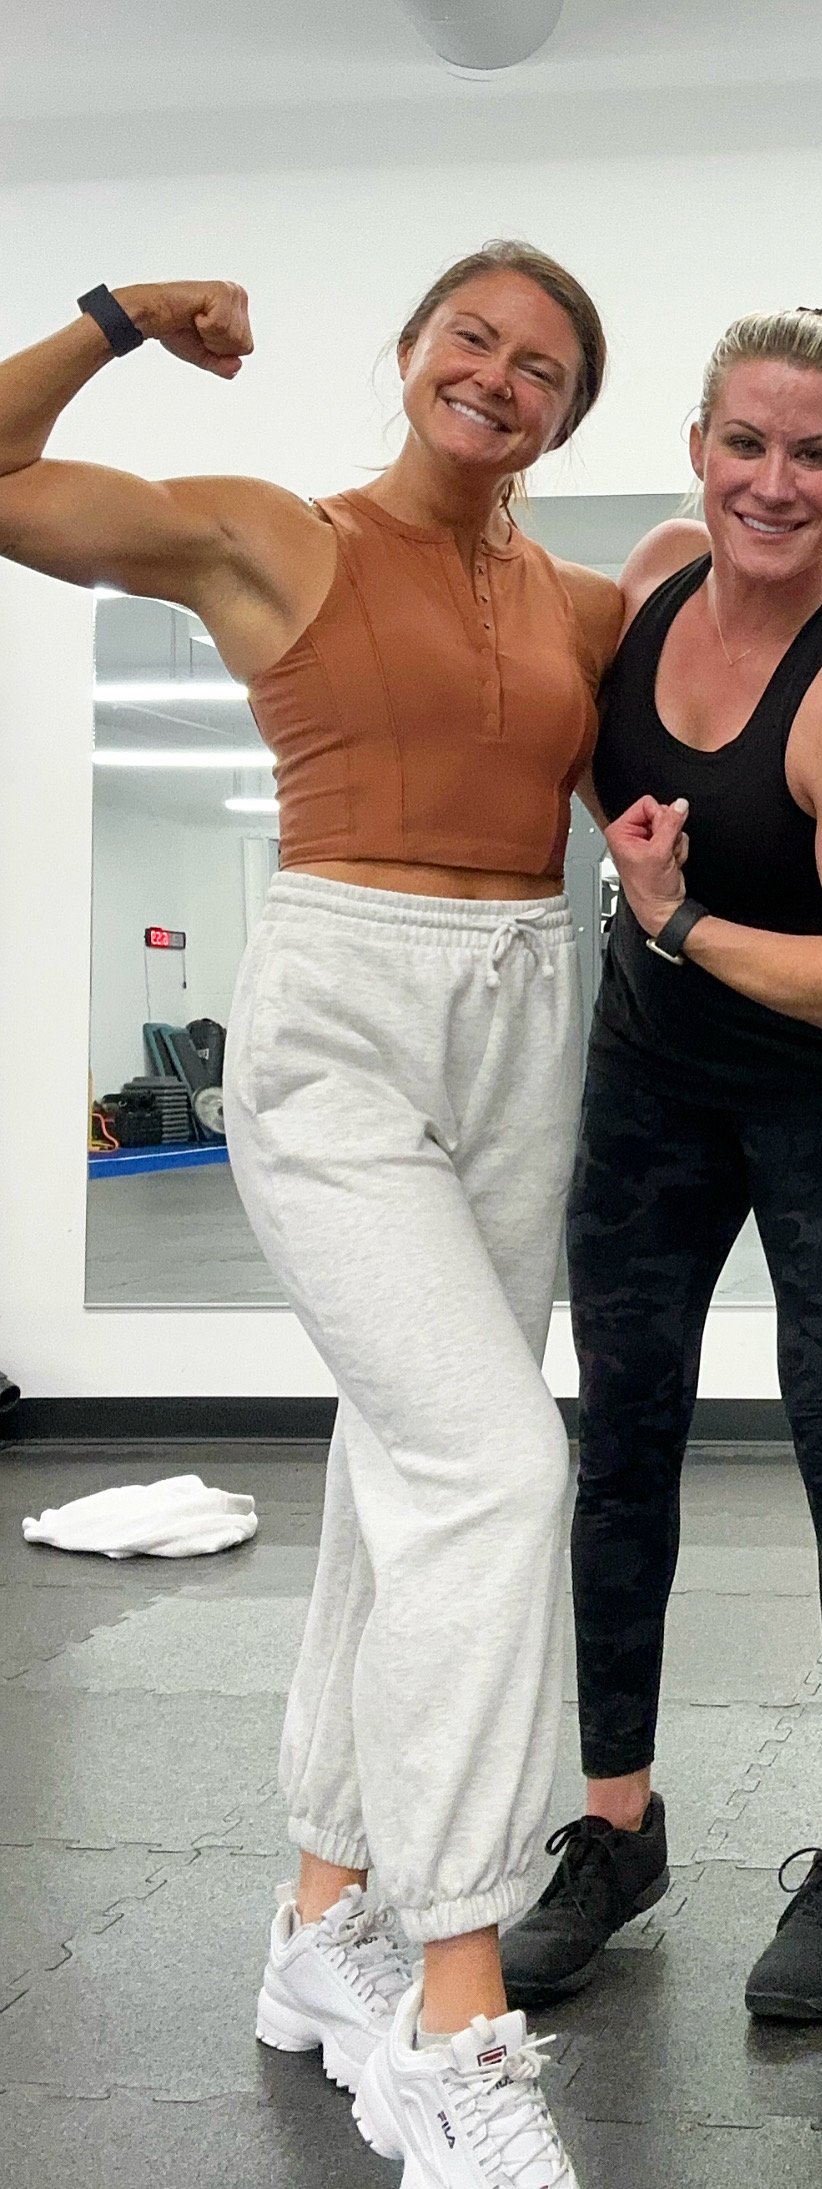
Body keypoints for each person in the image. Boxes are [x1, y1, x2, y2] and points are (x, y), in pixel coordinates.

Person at [0, 245, 623, 2189]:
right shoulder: (282, 539)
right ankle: (450, 2008)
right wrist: (116, 322)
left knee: (406, 1469)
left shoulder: (585, 607)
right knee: (502, 1471)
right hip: (343, 1010)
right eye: (473, 340)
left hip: (532, 1007)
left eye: (541, 367)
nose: (499, 379)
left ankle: (316, 1919)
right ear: (415, 351)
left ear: (569, 413)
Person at [498, 309, 822, 2026]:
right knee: (623, 1449)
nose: (774, 481)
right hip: (647, 1089)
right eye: (747, 442)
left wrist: (675, 914)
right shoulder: (658, 574)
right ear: (696, 448)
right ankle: (617, 1826)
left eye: (813, 453)